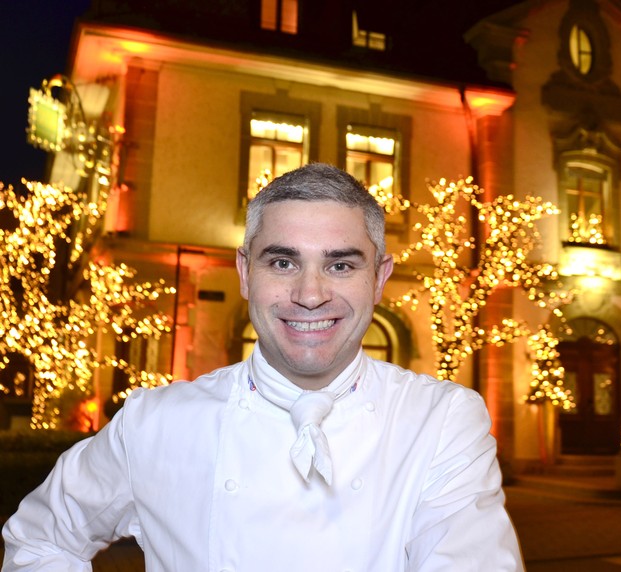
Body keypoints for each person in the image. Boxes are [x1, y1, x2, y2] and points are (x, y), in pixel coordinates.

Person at [1, 163, 524, 571]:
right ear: (245, 273)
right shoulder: (155, 422)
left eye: (341, 265)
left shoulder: (443, 422)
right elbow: (40, 537)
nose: (310, 294)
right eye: (282, 262)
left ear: (379, 278)